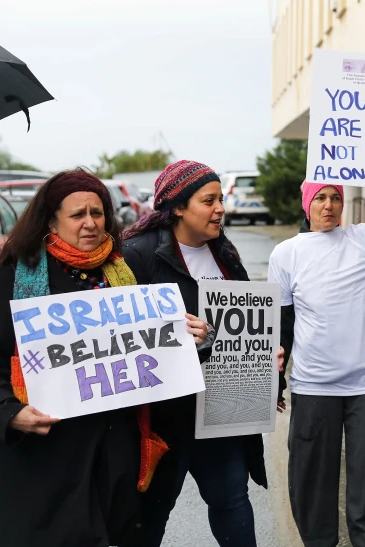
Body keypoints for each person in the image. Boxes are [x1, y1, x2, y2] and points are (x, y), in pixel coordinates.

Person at [0, 169, 186, 546]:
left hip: (110, 457)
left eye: (97, 213)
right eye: (77, 215)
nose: (90, 224)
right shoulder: (16, 277)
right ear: (51, 220)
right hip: (42, 461)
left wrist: (189, 339)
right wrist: (8, 411)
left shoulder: (122, 273)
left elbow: (153, 354)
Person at [268, 149, 365, 547]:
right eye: (320, 197)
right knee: (310, 480)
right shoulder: (286, 254)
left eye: (335, 197)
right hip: (314, 385)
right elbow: (282, 324)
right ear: (307, 204)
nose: (329, 204)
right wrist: (276, 381)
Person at [121, 160, 268, 547]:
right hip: (164, 417)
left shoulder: (226, 254)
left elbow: (244, 323)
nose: (221, 207)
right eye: (209, 200)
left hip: (219, 409)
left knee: (233, 501)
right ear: (179, 206)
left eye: (221, 198)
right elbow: (119, 338)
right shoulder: (137, 256)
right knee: (151, 510)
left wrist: (271, 362)